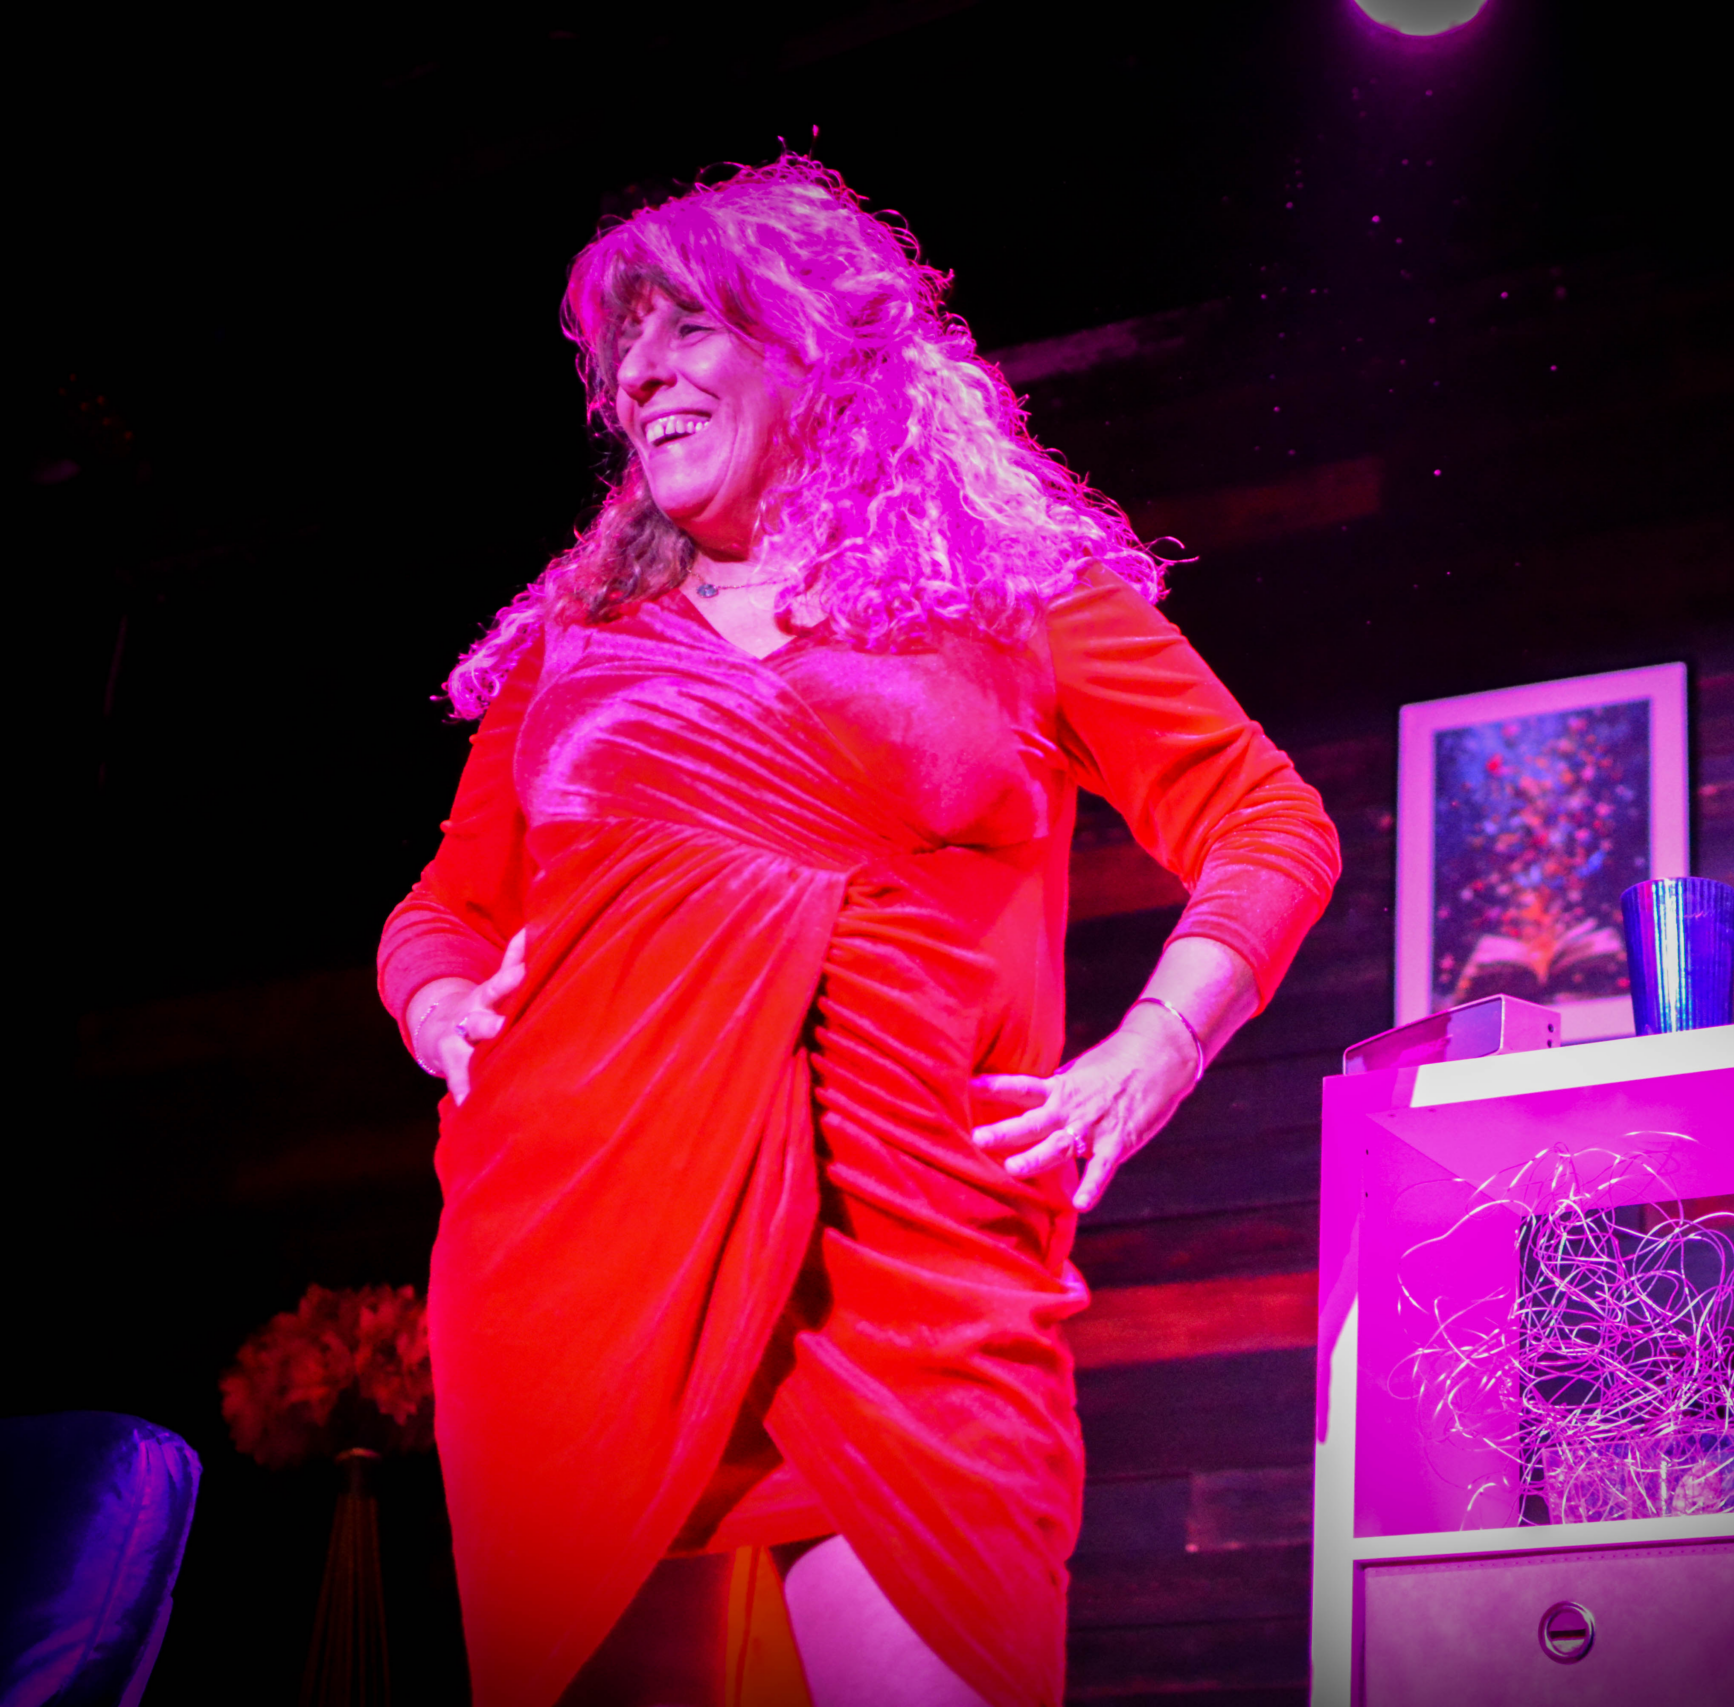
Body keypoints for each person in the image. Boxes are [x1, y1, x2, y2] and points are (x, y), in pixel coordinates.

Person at [377, 159, 1338, 1707]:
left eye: (688, 328)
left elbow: (1264, 817)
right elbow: (443, 908)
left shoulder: (1006, 599)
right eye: (624, 350)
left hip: (907, 1281)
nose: (639, 375)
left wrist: (1158, 1046)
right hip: (583, 1270)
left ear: (812, 347)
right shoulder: (578, 649)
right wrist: (443, 1013)